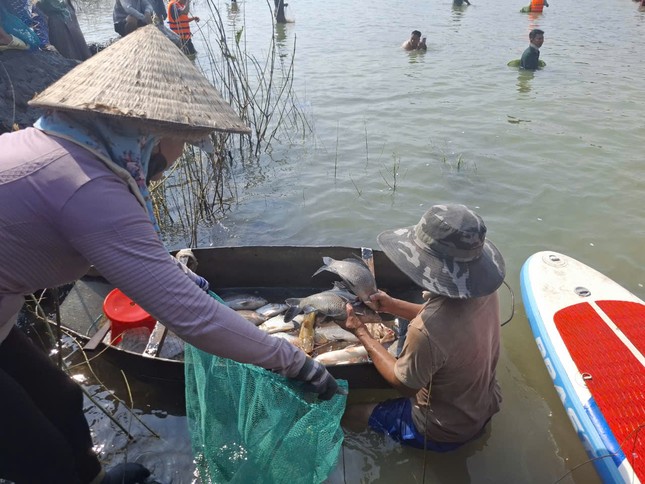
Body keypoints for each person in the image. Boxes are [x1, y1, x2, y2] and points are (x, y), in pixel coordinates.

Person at [0, 25, 338, 484]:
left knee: (60, 397)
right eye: (183, 141)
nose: (181, 154)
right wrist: (295, 362)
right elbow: (192, 319)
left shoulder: (63, 145)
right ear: (148, 132)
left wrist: (168, 274)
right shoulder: (90, 186)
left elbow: (86, 242)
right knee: (38, 456)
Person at [341, 204, 505, 451]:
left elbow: (403, 385)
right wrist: (393, 305)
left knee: (352, 414)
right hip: (484, 406)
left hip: (441, 430)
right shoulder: (484, 292)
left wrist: (360, 332)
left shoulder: (425, 331)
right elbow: (448, 328)